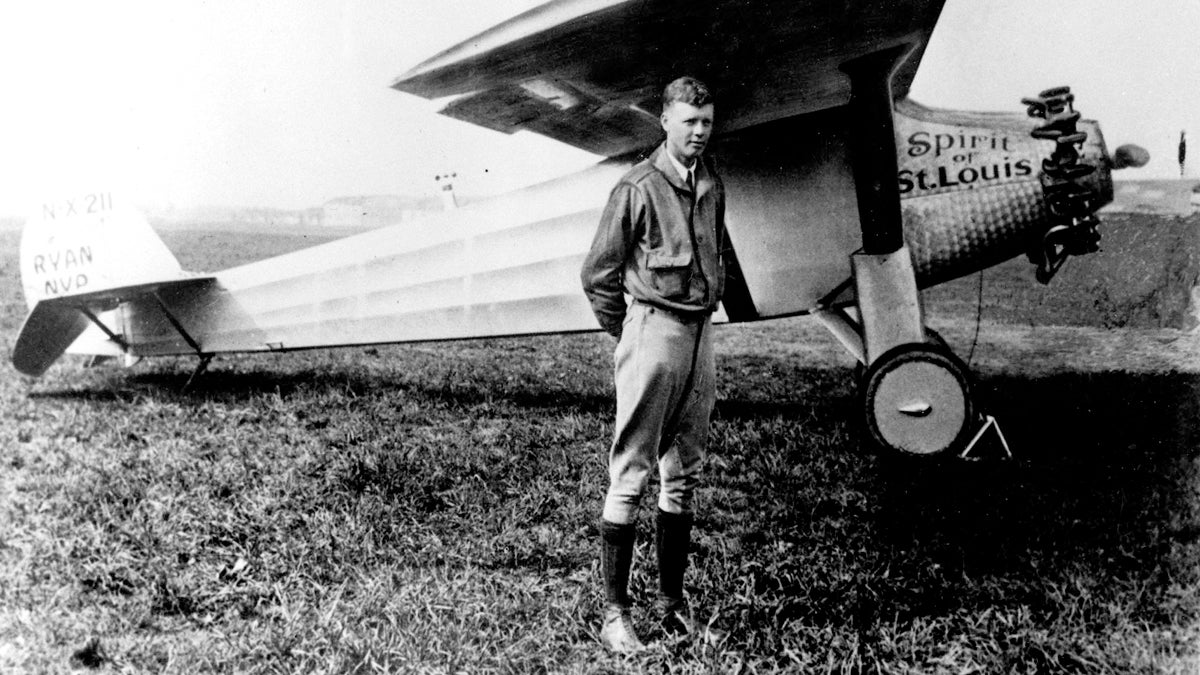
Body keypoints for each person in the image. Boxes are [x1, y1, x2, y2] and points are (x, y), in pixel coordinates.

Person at [580, 76, 726, 653]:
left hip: (700, 335)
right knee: (633, 469)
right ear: (664, 121)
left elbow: (718, 253)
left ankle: (670, 604)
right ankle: (614, 614)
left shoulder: (712, 180)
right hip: (654, 330)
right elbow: (598, 274)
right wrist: (633, 335)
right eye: (689, 121)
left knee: (682, 470)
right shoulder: (637, 186)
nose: (699, 132)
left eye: (707, 121)